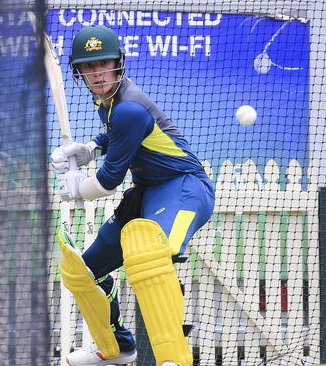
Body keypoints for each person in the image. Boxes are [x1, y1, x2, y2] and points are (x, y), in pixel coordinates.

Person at [50, 25, 215, 366]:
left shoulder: (128, 107)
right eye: (88, 66)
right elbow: (116, 136)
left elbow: (110, 180)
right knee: (83, 271)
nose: (96, 74)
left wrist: (77, 187)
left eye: (102, 64)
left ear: (118, 64)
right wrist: (90, 149)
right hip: (147, 191)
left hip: (183, 186)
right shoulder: (109, 101)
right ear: (79, 71)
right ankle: (117, 349)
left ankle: (174, 358)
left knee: (149, 254)